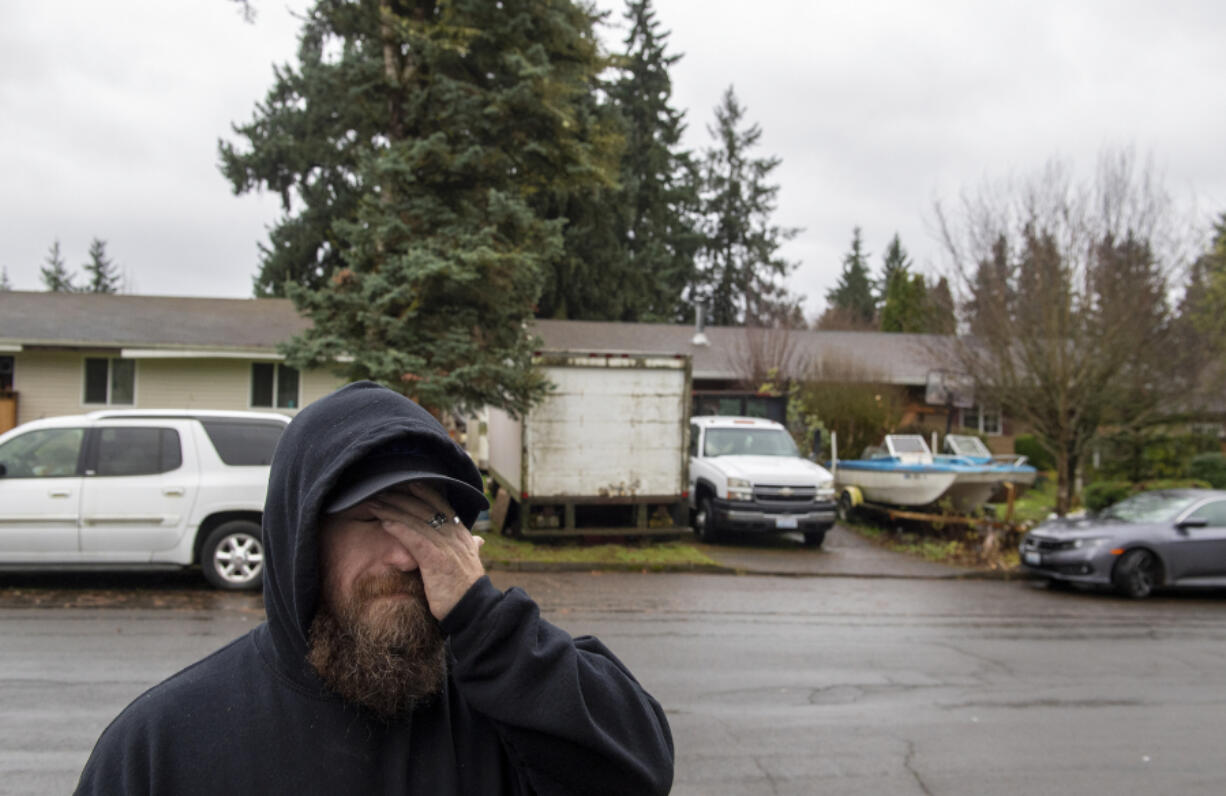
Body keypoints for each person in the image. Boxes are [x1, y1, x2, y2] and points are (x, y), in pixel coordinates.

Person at [75, 381, 674, 795]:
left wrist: (485, 621)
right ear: (302, 542)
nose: (408, 554)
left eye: (434, 525)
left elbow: (639, 773)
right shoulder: (165, 746)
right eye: (375, 520)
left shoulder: (506, 704)